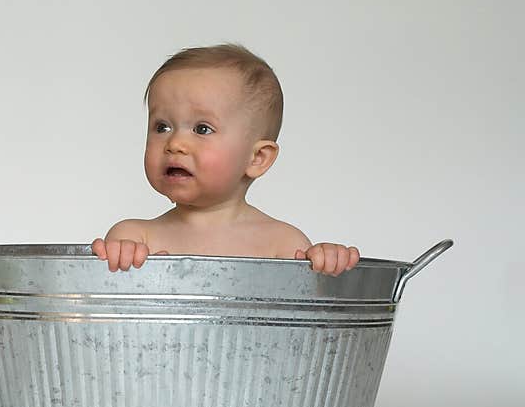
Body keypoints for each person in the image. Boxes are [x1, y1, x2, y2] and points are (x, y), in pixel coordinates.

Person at [91, 43, 360, 276]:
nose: (175, 144)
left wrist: (329, 264)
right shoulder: (135, 237)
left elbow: (306, 318)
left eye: (202, 129)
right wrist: (122, 262)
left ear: (257, 158)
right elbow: (112, 316)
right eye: (162, 127)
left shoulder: (283, 244)